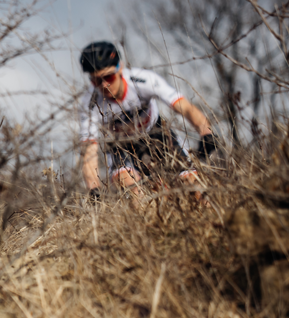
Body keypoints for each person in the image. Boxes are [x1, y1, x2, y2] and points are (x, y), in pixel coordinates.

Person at [76, 40, 218, 201]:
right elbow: (89, 150)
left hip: (156, 134)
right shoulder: (90, 102)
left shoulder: (142, 80)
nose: (104, 85)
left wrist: (206, 132)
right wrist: (94, 188)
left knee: (193, 184)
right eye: (96, 81)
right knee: (131, 189)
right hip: (119, 145)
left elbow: (184, 107)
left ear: (120, 67)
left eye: (108, 77)